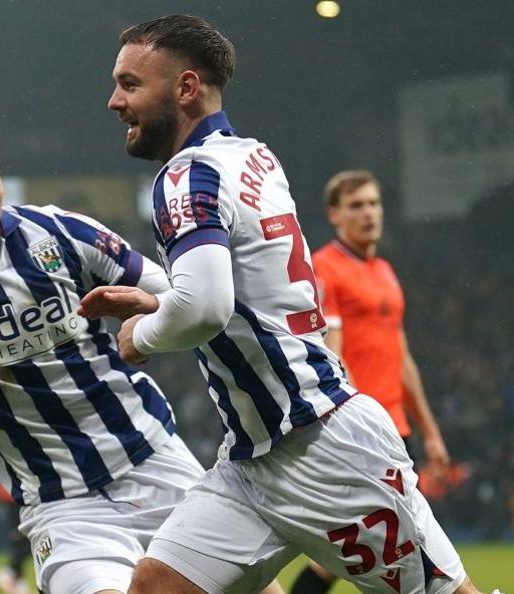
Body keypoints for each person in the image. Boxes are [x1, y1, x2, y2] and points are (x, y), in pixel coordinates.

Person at [81, 14, 488, 594]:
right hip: (253, 460)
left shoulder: (186, 175)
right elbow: (244, 294)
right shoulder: (253, 160)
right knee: (157, 585)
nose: (114, 100)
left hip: (325, 450)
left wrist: (140, 334)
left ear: (186, 88)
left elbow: (205, 310)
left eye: (130, 83)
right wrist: (160, 295)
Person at [0, 112, 227, 594]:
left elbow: (167, 289)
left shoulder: (59, 232)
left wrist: (146, 312)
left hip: (156, 460)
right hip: (64, 505)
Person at [286, 169, 453, 593]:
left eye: (374, 203)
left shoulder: (384, 272)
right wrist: (360, 424)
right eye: (356, 205)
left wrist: (430, 432)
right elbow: (335, 355)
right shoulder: (325, 269)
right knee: (388, 548)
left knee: (382, 548)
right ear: (334, 215)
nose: (369, 214)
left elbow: (402, 358)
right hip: (365, 431)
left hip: (398, 428)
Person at [0, 482, 32, 594]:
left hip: (20, 496)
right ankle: (9, 573)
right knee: (24, 542)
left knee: (23, 542)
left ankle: (17, 580)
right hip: (17, 498)